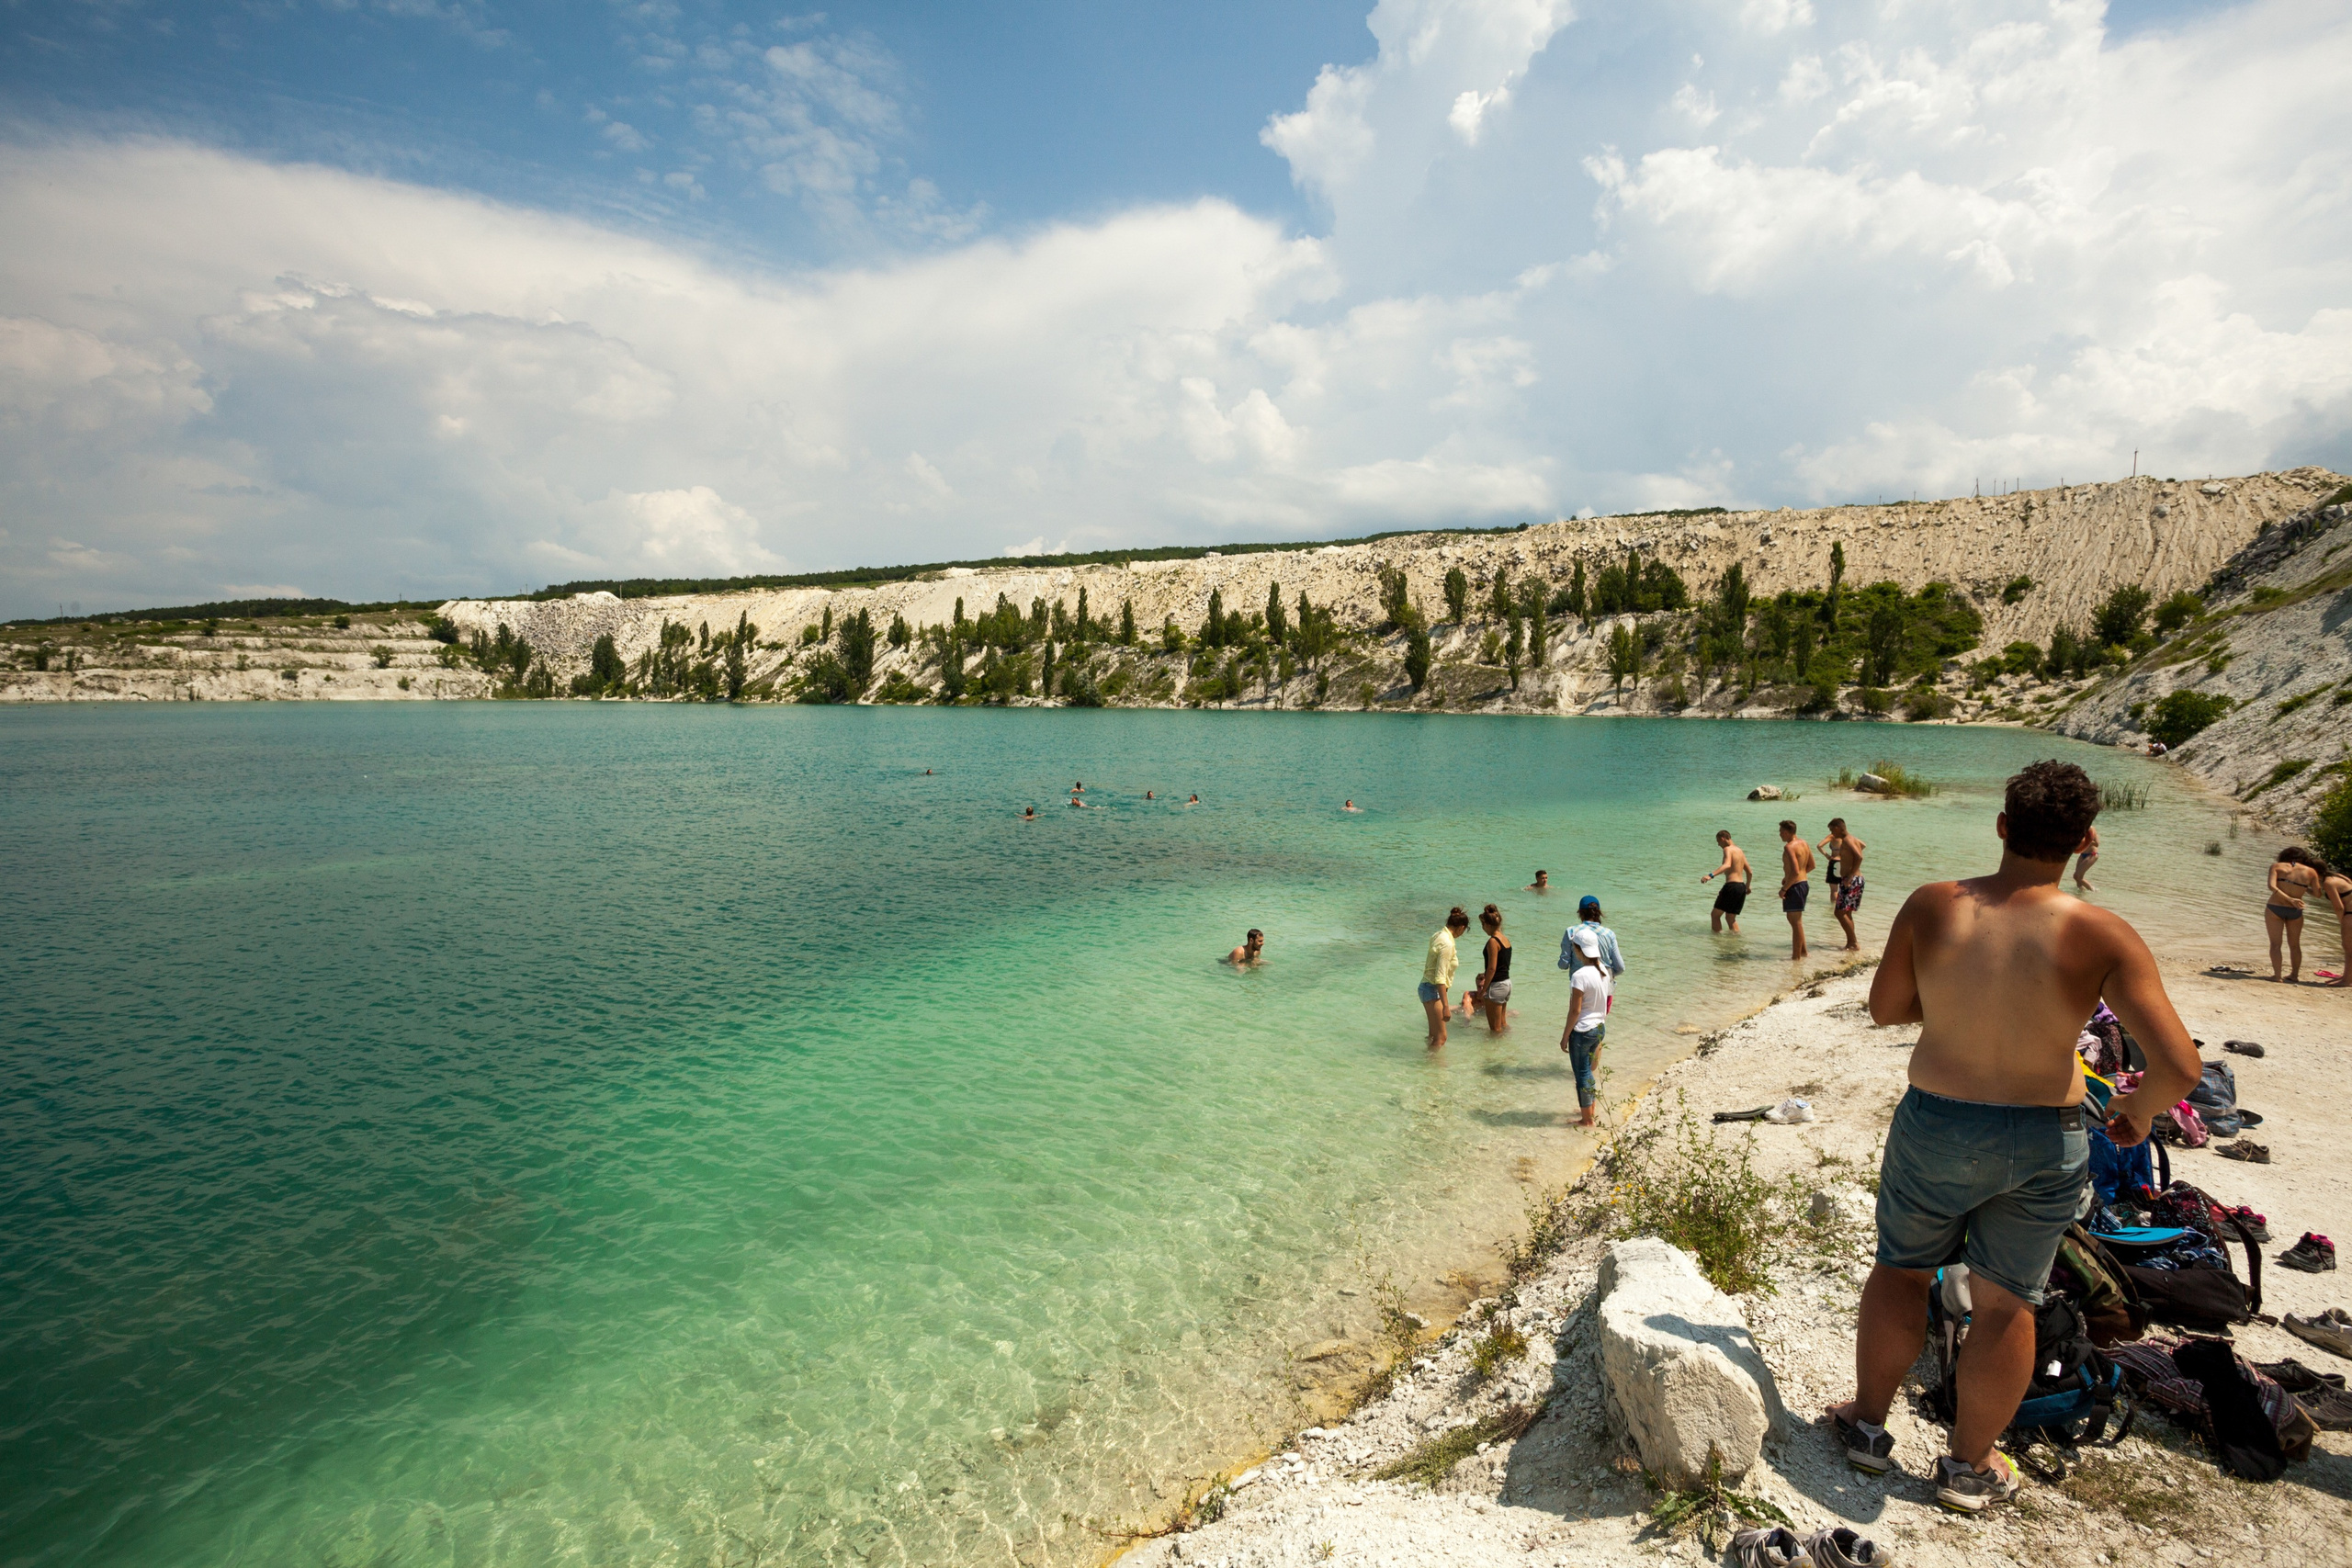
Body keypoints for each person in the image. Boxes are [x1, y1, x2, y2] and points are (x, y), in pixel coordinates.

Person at [1826, 761, 2199, 1514]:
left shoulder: (1935, 904)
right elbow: (2181, 1066)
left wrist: (1957, 1003)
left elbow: (1887, 1009)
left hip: (1938, 1119)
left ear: (2001, 825)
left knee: (1902, 1271)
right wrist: (2137, 1109)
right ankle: (1967, 1468)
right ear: (2086, 839)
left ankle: (1867, 1429)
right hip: (2046, 1134)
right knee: (2006, 1305)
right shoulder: (2102, 933)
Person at [1559, 929, 1612, 1127]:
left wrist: (1565, 1036)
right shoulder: (1604, 971)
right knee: (1588, 1072)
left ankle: (1587, 1120)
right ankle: (1590, 1110)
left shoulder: (1579, 975)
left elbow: (1575, 1010)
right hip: (1599, 1027)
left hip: (1582, 1031)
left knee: (1582, 1074)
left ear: (1578, 950)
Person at [2267, 846, 2325, 982]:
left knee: (2275, 944)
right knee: (2295, 945)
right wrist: (2302, 889)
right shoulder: (2311, 872)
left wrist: (2288, 899)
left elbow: (2272, 886)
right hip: (2296, 910)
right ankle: (2294, 975)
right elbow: (2318, 894)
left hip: (2275, 907)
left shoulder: (2276, 867)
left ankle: (2277, 976)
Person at [1420, 908, 1471, 1050]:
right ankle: (1433, 1066)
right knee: (1441, 1037)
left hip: (1425, 987)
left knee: (1433, 1035)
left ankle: (1428, 1063)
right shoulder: (1447, 944)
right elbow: (1440, 978)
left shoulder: (1438, 935)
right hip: (1433, 990)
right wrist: (1446, 1007)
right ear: (1461, 927)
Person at [1467, 905, 1513, 1033]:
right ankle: (1508, 1047)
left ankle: (1494, 1052)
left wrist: (1484, 990)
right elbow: (1502, 965)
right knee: (1503, 1024)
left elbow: (1492, 968)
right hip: (1506, 984)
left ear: (1487, 924)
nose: (1483, 929)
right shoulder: (1505, 939)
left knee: (1494, 1029)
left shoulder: (1493, 941)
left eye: (1483, 925)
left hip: (1496, 986)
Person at [1823, 818, 1867, 952]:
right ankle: (1850, 943)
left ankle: (1853, 943)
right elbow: (1862, 847)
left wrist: (1851, 876)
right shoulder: (1852, 839)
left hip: (1851, 881)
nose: (1831, 833)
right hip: (1852, 880)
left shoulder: (1847, 840)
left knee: (1839, 913)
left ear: (1837, 828)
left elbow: (1859, 857)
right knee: (1847, 914)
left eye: (1831, 830)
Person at [1559, 896, 1625, 977]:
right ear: (1599, 913)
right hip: (1605, 982)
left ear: (1580, 912)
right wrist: (1608, 976)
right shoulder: (1609, 934)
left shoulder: (1571, 931)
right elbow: (1620, 967)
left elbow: (1563, 964)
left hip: (1580, 983)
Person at [1778, 820, 1815, 961]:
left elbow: (1795, 870)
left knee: (1796, 922)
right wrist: (1788, 878)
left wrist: (1784, 888)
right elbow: (1811, 865)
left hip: (1795, 886)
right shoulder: (1804, 843)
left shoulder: (1789, 847)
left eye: (1781, 831)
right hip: (1802, 883)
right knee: (1794, 920)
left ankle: (1796, 958)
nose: (1780, 834)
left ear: (1787, 832)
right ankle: (1804, 952)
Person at [1702, 830, 1752, 933]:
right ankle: (1736, 941)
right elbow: (1750, 872)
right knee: (1730, 918)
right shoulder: (1739, 851)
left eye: (1718, 842)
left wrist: (1710, 875)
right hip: (1741, 887)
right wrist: (1748, 886)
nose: (1718, 844)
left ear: (1722, 839)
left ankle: (1717, 942)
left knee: (1715, 915)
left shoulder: (1727, 849)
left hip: (1731, 886)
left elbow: (1727, 865)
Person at [2073, 823, 2098, 892]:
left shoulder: (2091, 829)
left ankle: (2093, 890)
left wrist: (2087, 841)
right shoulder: (2079, 829)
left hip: (2092, 854)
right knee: (2077, 877)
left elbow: (2096, 844)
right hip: (2082, 855)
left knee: (2077, 876)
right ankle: (2081, 894)